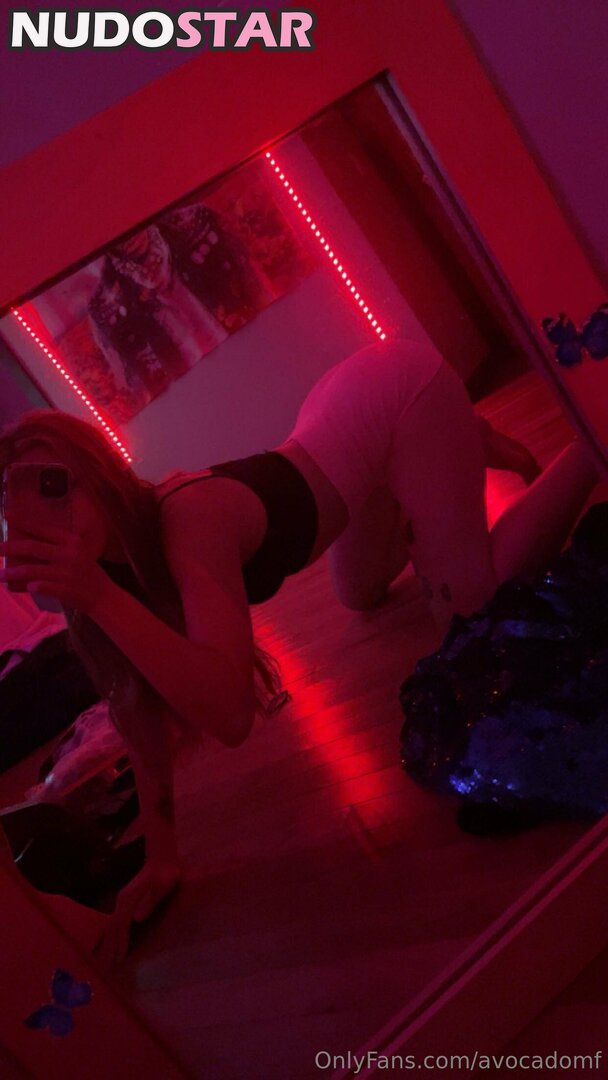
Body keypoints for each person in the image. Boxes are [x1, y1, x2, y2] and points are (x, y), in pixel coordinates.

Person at [0, 337, 599, 964]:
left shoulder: (184, 519)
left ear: (98, 472)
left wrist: (96, 596)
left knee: (470, 617)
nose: (49, 512)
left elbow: (231, 712)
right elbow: (137, 706)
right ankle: (445, 451)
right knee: (360, 594)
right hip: (350, 430)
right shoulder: (112, 573)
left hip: (397, 394)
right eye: (21, 498)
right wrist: (161, 858)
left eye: (56, 482)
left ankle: (588, 440)